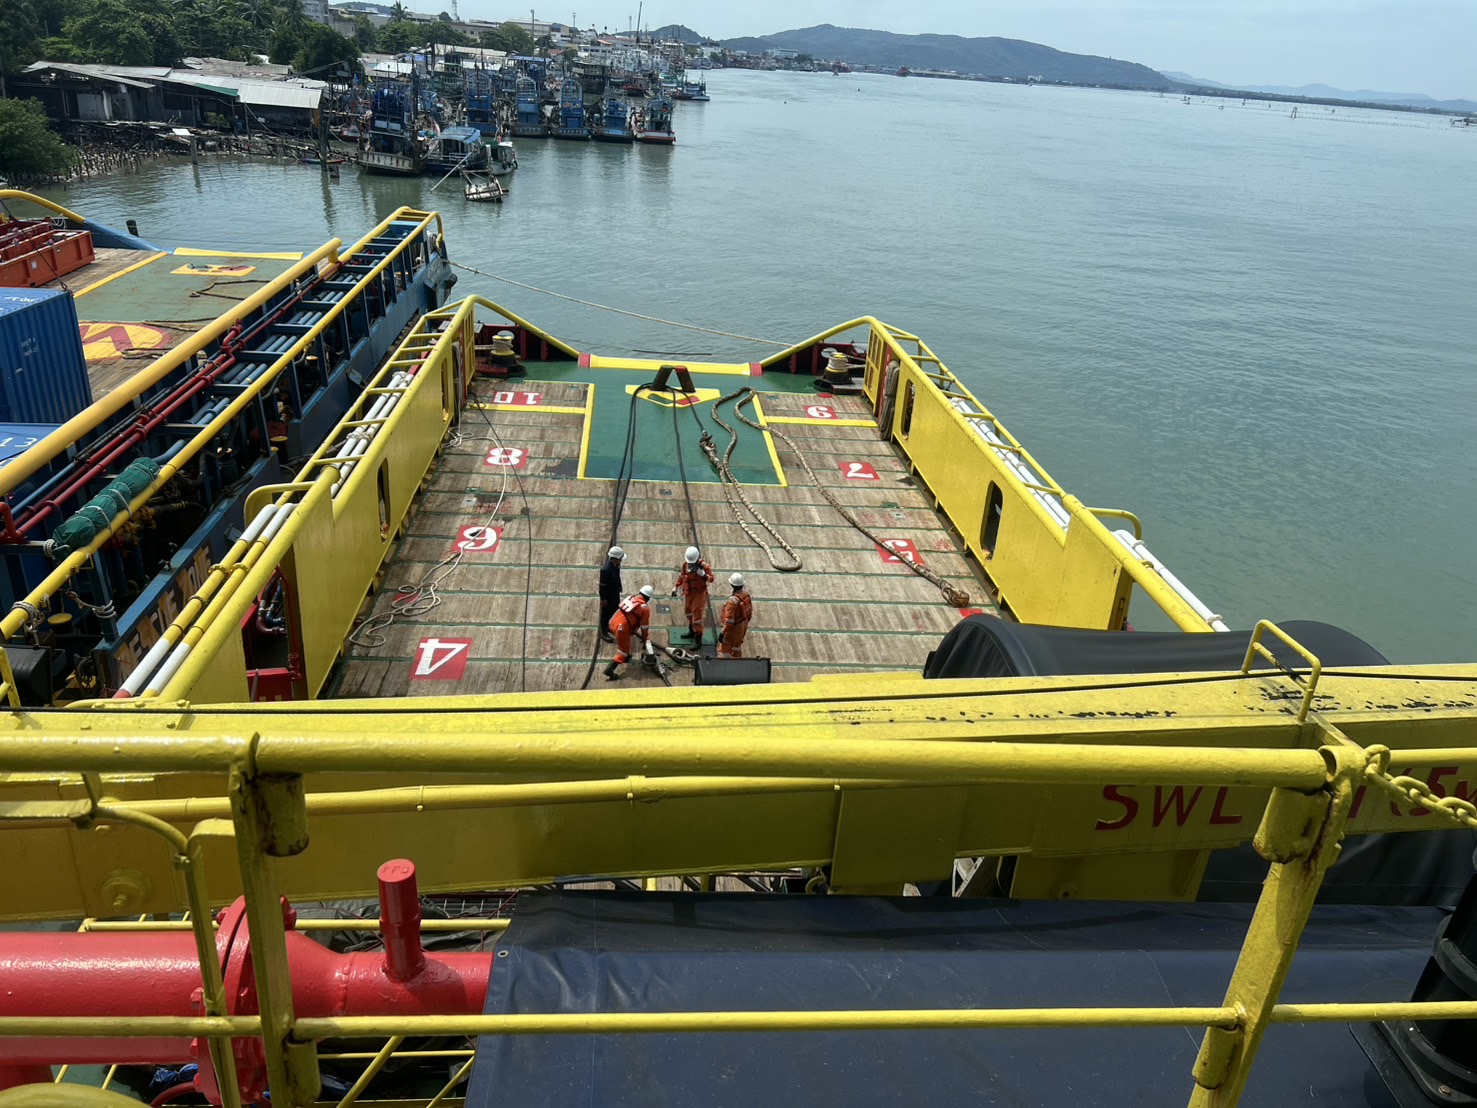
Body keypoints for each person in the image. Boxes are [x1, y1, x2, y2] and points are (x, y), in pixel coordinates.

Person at [604, 585, 653, 680]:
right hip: (621, 628)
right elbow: (644, 627)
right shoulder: (644, 608)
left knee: (626, 641)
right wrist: (645, 639)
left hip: (612, 622)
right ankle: (609, 670)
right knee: (623, 651)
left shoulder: (631, 598)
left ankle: (626, 656)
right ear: (648, 598)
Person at [671, 545, 714, 643]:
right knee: (688, 611)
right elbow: (682, 576)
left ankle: (698, 637)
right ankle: (691, 630)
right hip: (689, 593)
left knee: (697, 615)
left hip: (699, 593)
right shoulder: (685, 565)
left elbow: (711, 578)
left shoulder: (704, 567)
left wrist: (704, 575)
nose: (690, 564)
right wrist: (676, 587)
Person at [718, 573, 752, 659]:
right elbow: (750, 611)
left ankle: (723, 664)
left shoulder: (732, 601)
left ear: (731, 584)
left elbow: (729, 620)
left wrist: (723, 632)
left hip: (733, 629)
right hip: (743, 625)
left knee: (724, 649)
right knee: (737, 646)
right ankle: (737, 661)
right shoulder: (746, 595)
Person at [598, 546, 625, 642]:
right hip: (608, 596)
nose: (621, 560)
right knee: (606, 613)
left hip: (614, 593)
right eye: (620, 558)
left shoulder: (616, 566)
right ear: (615, 558)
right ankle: (604, 632)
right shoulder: (606, 570)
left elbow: (617, 576)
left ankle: (610, 626)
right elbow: (602, 586)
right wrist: (603, 599)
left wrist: (619, 586)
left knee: (614, 610)